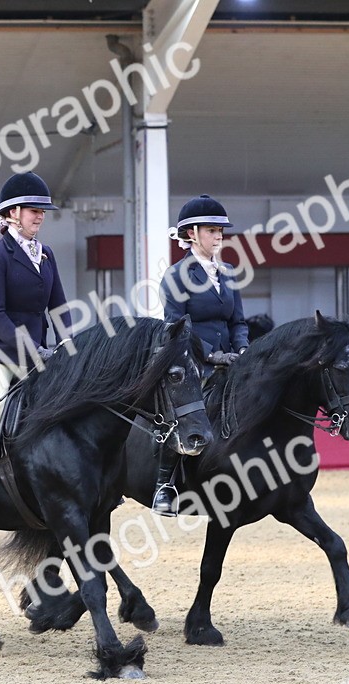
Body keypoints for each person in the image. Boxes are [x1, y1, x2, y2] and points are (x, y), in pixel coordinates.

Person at [0, 172, 74, 522]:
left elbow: (59, 307)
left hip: (39, 350)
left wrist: (69, 345)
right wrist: (31, 350)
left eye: (43, 210)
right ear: (11, 214)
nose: (40, 215)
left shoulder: (46, 255)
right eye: (33, 209)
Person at [152, 195, 250, 516]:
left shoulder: (230, 272)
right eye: (212, 230)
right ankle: (164, 487)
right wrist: (211, 356)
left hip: (231, 360)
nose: (219, 236)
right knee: (183, 409)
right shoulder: (176, 276)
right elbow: (176, 327)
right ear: (192, 234)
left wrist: (243, 349)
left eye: (221, 231)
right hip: (193, 362)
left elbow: (238, 321)